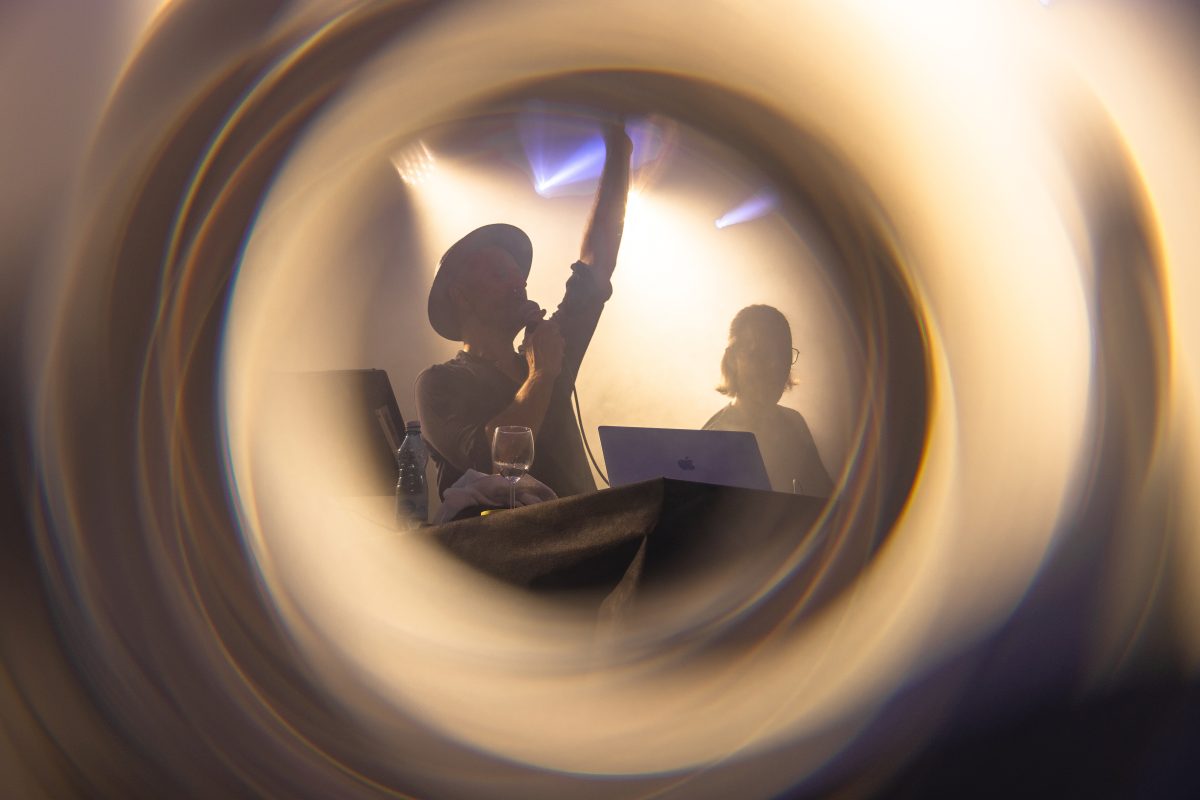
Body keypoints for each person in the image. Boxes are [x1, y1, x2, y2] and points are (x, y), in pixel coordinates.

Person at [416, 121, 633, 500]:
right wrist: (541, 377)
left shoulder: (548, 350)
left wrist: (618, 151)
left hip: (590, 532)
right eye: (499, 274)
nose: (519, 281)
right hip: (510, 539)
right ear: (461, 296)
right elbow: (494, 462)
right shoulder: (440, 384)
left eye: (519, 273)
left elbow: (596, 265)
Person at [703, 305, 835, 497]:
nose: (775, 365)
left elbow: (827, 499)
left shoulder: (794, 423)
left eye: (782, 354)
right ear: (732, 359)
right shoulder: (712, 441)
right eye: (760, 354)